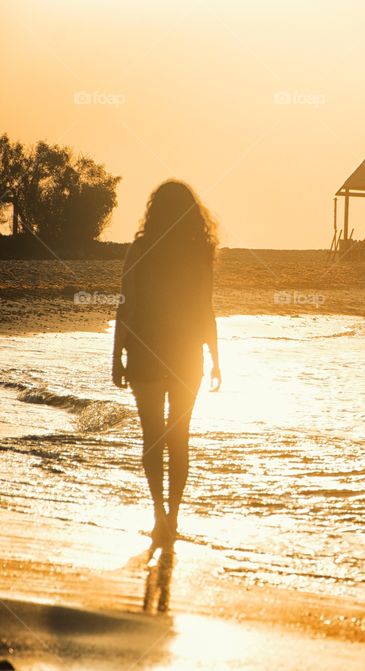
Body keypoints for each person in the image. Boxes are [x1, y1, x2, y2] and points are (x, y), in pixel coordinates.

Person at [112, 180, 221, 549]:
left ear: (154, 211)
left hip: (144, 352)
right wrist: (216, 360)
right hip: (186, 355)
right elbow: (206, 309)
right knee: (179, 439)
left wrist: (116, 356)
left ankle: (158, 514)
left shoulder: (141, 249)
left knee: (152, 438)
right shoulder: (200, 253)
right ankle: (173, 516)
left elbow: (127, 306)